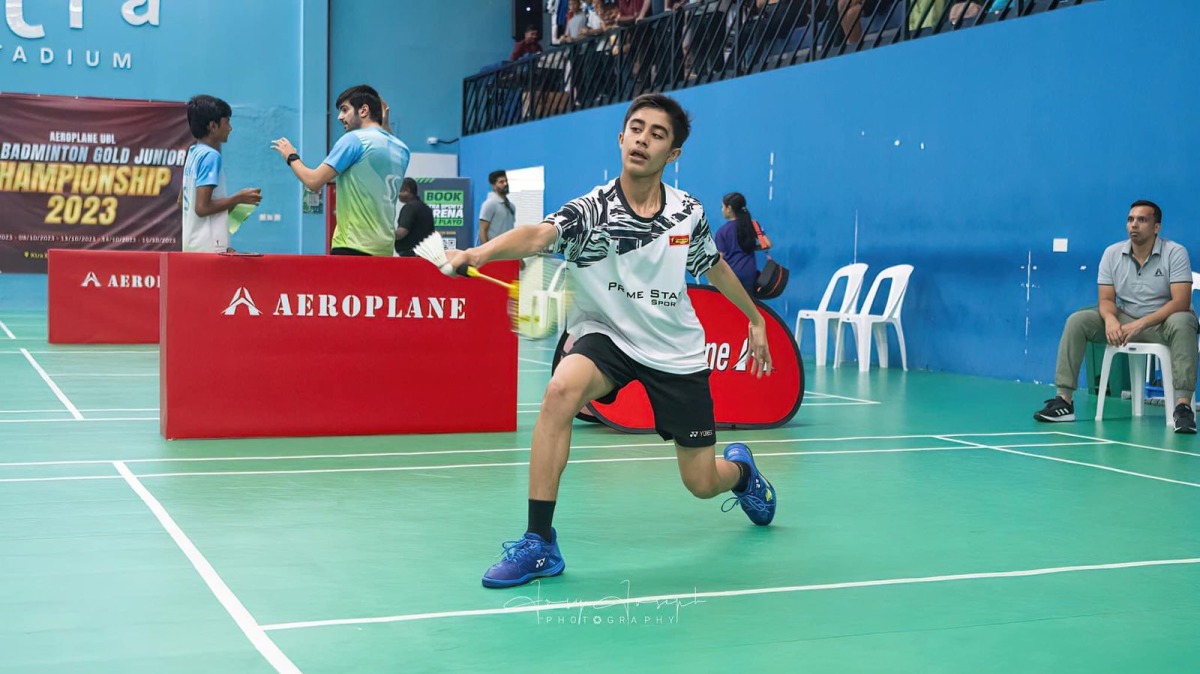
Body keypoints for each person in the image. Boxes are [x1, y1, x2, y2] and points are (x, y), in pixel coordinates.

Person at [445, 93, 778, 589]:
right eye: (636, 128)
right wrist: (476, 252)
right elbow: (537, 236)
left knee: (701, 482)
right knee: (560, 390)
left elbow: (712, 265)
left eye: (657, 134)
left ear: (674, 154)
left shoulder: (687, 212)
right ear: (621, 138)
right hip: (608, 335)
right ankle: (539, 542)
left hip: (674, 348)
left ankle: (742, 473)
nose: (643, 139)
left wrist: (755, 319)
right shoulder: (591, 210)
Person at [1034, 200, 1196, 434]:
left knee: (1183, 321)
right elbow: (1107, 300)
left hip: (1163, 322)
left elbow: (1180, 301)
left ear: (1156, 227)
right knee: (1077, 321)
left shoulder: (1175, 252)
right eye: (1131, 219)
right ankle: (1064, 401)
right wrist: (1111, 320)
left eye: (1142, 220)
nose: (1134, 225)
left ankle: (1182, 407)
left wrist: (1140, 324)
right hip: (1125, 318)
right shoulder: (1112, 253)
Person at [270, 84, 410, 256]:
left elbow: (313, 182)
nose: (339, 117)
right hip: (385, 250)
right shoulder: (402, 149)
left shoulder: (354, 140)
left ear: (364, 110)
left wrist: (291, 156)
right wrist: (385, 122)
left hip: (352, 246)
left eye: (345, 110)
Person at [180, 95, 262, 253]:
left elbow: (182, 201)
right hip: (208, 247)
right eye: (227, 122)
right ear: (213, 126)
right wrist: (240, 198)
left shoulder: (193, 153)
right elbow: (202, 208)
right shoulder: (211, 156)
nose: (230, 128)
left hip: (192, 245)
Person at [714, 192, 761, 298]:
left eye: (722, 207)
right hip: (750, 274)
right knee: (747, 310)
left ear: (729, 208)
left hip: (732, 276)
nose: (722, 210)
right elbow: (767, 244)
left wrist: (713, 281)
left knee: (730, 309)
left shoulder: (722, 231)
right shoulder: (750, 225)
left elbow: (719, 259)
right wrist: (751, 246)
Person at [393, 177, 435, 257]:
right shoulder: (426, 208)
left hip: (410, 256)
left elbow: (402, 232)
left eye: (399, 191)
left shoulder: (409, 208)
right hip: (426, 255)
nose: (398, 195)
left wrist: (387, 235)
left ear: (407, 190)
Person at [478, 170, 516, 244]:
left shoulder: (511, 206)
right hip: (494, 251)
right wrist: (486, 250)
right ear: (494, 186)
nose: (505, 184)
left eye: (506, 181)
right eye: (501, 182)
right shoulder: (489, 204)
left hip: (508, 249)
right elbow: (482, 230)